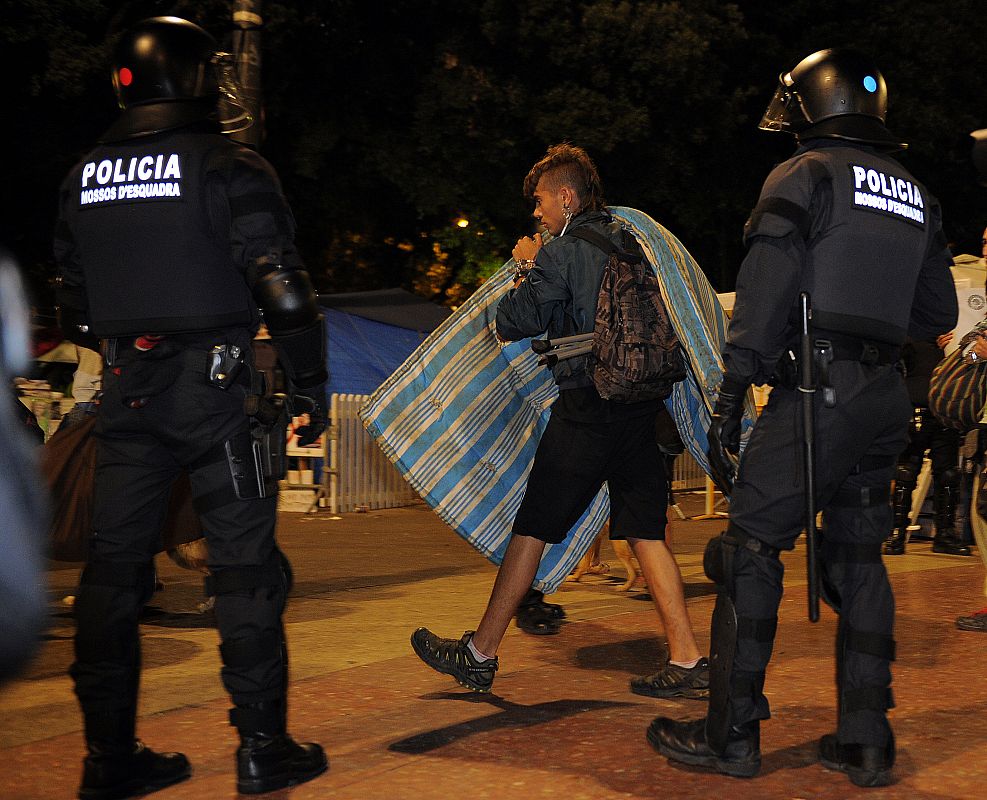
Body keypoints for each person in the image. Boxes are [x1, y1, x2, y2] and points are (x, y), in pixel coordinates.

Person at [649, 50, 958, 788]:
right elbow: (935, 313)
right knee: (858, 555)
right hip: (884, 396)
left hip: (817, 392)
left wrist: (732, 393)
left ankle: (729, 736)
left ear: (811, 106)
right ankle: (865, 741)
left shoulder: (803, 174)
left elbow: (764, 290)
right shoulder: (915, 192)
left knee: (749, 551)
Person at [53, 17, 328, 798]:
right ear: (199, 78)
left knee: (112, 580)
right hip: (215, 395)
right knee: (242, 575)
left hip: (126, 396)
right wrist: (309, 384)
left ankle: (108, 760)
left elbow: (72, 304)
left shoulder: (84, 176)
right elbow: (283, 287)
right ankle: (260, 747)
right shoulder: (227, 164)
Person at [410, 143, 708, 699]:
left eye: (542, 200)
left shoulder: (560, 251)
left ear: (567, 197)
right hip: (641, 405)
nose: (537, 213)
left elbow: (513, 320)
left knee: (532, 527)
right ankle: (688, 658)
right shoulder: (633, 243)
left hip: (588, 407)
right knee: (645, 530)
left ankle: (479, 655)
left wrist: (526, 262)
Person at [884, 333, 971, 556]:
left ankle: (945, 535)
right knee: (906, 471)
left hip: (947, 410)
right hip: (916, 406)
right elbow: (894, 359)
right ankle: (896, 533)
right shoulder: (912, 332)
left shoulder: (960, 334)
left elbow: (972, 360)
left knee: (948, 475)